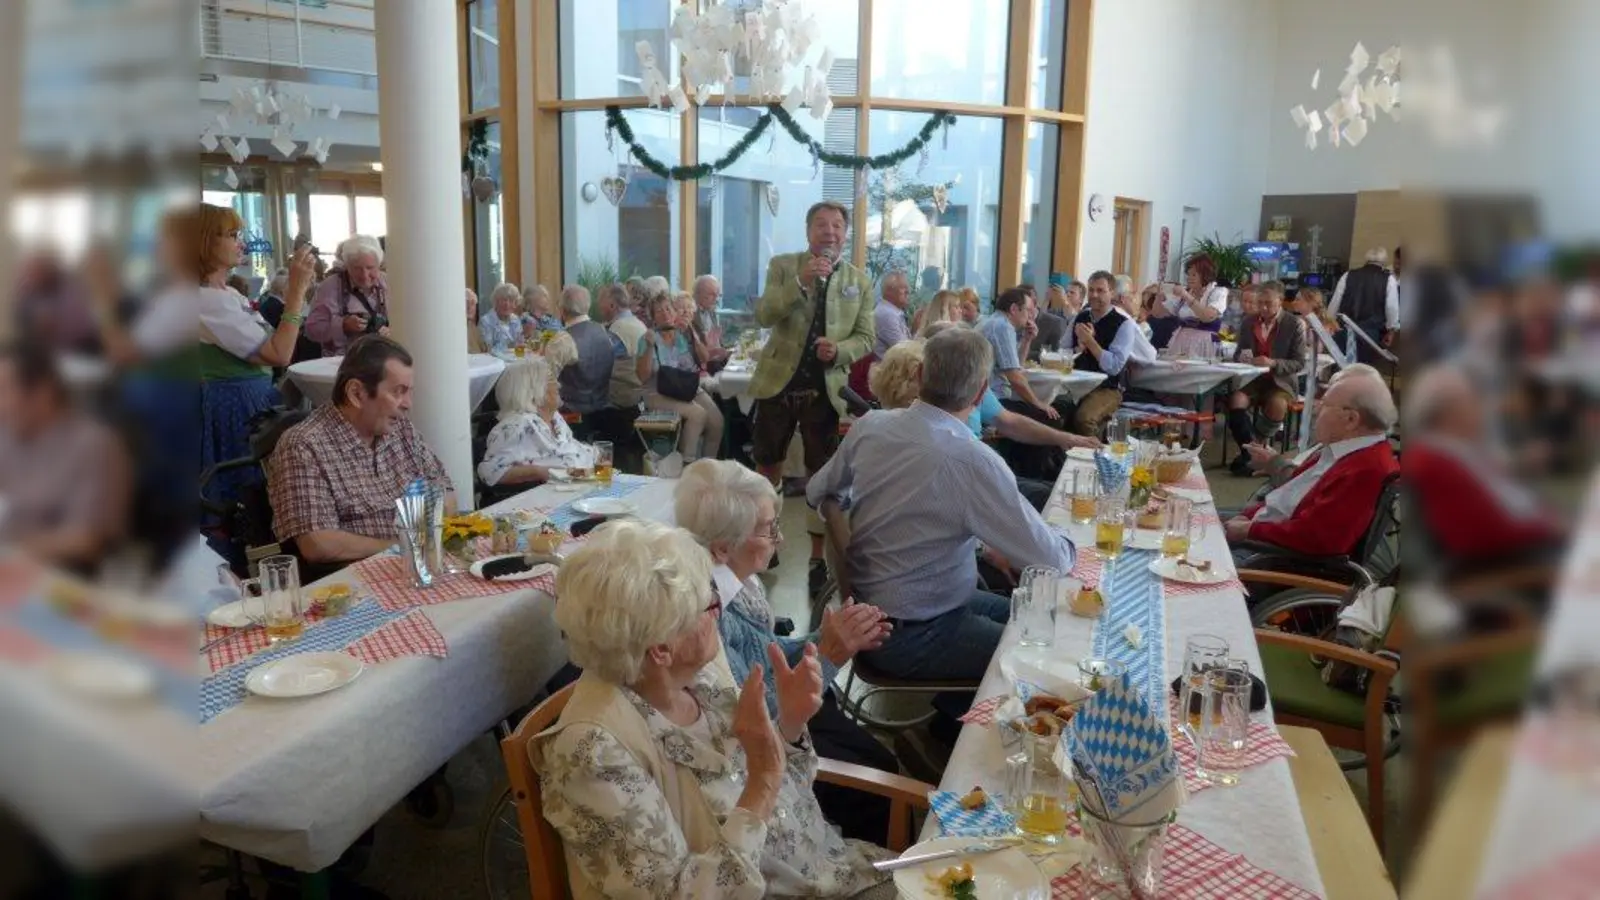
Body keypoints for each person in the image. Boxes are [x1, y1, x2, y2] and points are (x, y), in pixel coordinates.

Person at [530, 519, 894, 900]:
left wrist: (788, 723)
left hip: (836, 869)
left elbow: (784, 803)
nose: (718, 614)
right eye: (708, 605)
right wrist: (764, 779)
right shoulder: (592, 750)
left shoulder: (696, 677)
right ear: (661, 648)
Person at [807, 328, 1075, 691]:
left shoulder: (870, 426)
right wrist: (1072, 535)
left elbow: (817, 491)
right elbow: (1053, 561)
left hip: (902, 611)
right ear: (981, 393)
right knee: (1053, 646)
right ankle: (960, 721)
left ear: (920, 376)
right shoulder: (971, 460)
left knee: (1052, 619)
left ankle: (949, 715)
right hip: (913, 632)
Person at [673, 460, 899, 842]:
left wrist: (826, 637)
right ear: (724, 547)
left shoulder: (739, 583)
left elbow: (767, 651)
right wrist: (828, 656)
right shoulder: (708, 615)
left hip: (786, 720)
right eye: (768, 529)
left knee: (879, 759)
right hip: (760, 753)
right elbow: (755, 720)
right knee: (877, 786)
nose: (780, 538)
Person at [267, 335, 454, 566]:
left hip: (419, 565)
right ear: (356, 393)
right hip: (358, 581)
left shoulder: (401, 429)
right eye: (398, 391)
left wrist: (428, 535)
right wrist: (405, 546)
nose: (408, 403)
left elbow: (445, 491)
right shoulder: (304, 446)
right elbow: (318, 544)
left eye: (409, 391)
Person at [869, 330, 1099, 510]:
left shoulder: (872, 429)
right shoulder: (964, 447)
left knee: (1051, 493)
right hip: (975, 488)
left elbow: (1008, 421)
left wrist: (1064, 437)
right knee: (1055, 497)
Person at [747, 199, 874, 504]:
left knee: (822, 471)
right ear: (808, 232)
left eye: (837, 225)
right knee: (766, 463)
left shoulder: (859, 280)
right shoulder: (783, 265)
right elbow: (764, 315)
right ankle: (766, 536)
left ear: (846, 234)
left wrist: (840, 350)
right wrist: (802, 280)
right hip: (778, 381)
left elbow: (867, 338)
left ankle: (818, 550)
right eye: (821, 224)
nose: (829, 231)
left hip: (826, 387)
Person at [196, 205, 317, 515]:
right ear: (205, 242)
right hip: (235, 406)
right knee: (247, 493)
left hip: (249, 398)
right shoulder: (208, 300)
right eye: (233, 235)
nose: (242, 243)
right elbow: (279, 353)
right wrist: (296, 292)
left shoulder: (227, 295)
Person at [1223, 373, 1399, 560]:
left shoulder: (1366, 468)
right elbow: (1289, 498)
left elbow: (1318, 538)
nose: (1315, 410)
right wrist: (1247, 517)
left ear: (1351, 420)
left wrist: (1249, 530)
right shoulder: (1344, 452)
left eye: (1324, 404)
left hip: (1272, 559)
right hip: (1263, 532)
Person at [1405, 364, 1565, 567]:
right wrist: (1549, 528)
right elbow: (1478, 533)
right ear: (1449, 413)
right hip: (1512, 560)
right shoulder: (1433, 460)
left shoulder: (1459, 450)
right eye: (1472, 402)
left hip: (1530, 542)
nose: (1480, 410)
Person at [0, 344, 130, 571]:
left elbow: (84, 541)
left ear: (42, 393)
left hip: (58, 576)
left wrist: (10, 549)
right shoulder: (8, 435)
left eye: (3, 391)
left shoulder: (93, 445)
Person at [1226, 281, 1308, 474]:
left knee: (1277, 404)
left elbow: (1299, 363)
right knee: (1236, 399)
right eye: (1260, 302)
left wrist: (1273, 363)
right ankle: (1252, 453)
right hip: (1254, 379)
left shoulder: (1294, 324)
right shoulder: (1248, 322)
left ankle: (1254, 448)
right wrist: (1243, 358)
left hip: (1281, 382)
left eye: (1268, 303)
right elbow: (1239, 353)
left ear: (1280, 301)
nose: (1263, 308)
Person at [479, 355, 594, 488]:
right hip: (550, 494)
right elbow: (490, 472)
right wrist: (538, 472)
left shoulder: (555, 419)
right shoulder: (516, 426)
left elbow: (572, 452)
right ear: (534, 390)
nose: (558, 384)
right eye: (551, 381)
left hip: (582, 482)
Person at [644, 293, 724, 462]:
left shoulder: (680, 335)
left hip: (683, 388)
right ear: (653, 318)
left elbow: (703, 359)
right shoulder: (649, 338)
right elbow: (642, 377)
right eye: (658, 311)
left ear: (674, 312)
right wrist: (650, 347)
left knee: (717, 423)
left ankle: (708, 468)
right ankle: (687, 464)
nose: (665, 313)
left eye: (668, 309)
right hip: (658, 392)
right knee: (698, 414)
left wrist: (691, 332)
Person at [1065, 271, 1144, 438]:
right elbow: (1062, 351)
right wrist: (1077, 350)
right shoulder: (1080, 317)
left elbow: (1114, 367)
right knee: (1052, 413)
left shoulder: (1124, 324)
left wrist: (1090, 342)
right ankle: (1061, 460)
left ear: (1112, 293)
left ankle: (1097, 457)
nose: (1094, 295)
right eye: (1091, 290)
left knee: (1084, 418)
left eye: (1100, 291)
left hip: (1107, 388)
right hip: (1075, 384)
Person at [978, 287, 1058, 422]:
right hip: (991, 398)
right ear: (1014, 309)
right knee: (1050, 417)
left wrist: (1027, 340)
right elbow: (1014, 377)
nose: (1031, 316)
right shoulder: (1002, 326)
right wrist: (1037, 403)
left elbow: (1016, 367)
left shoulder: (994, 321)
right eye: (1028, 310)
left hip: (986, 395)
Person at [304, 235, 389, 357]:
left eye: (370, 268)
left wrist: (393, 332)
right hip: (343, 362)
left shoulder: (389, 283)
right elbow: (311, 330)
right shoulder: (330, 287)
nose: (364, 275)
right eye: (357, 269)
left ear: (379, 264)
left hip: (383, 359)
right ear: (347, 266)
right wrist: (343, 325)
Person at [1147, 254, 1229, 357]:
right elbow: (1157, 314)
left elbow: (1207, 316)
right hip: (1181, 342)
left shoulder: (1217, 292)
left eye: (1194, 275)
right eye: (1188, 274)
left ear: (1206, 275)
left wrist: (1186, 296)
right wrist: (1159, 297)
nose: (1189, 278)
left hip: (1204, 343)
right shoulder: (1185, 293)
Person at [1329, 247, 1400, 364]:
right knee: (1363, 369)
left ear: (1366, 260)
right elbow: (1391, 308)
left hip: (1344, 330)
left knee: (1341, 368)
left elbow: (1335, 302)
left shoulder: (1348, 275)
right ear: (1383, 263)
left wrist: (1330, 321)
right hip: (1369, 334)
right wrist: (1392, 330)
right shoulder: (1388, 279)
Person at [478, 283, 534, 353]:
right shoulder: (486, 321)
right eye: (503, 300)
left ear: (515, 304)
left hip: (513, 359)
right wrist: (513, 345)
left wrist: (525, 336)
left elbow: (519, 344)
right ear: (496, 302)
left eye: (511, 301)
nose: (507, 304)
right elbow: (488, 349)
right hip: (495, 361)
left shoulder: (515, 319)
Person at [872, 271, 913, 356]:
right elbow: (905, 350)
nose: (908, 291)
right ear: (889, 291)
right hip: (888, 367)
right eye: (903, 288)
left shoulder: (891, 311)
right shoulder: (887, 314)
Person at [464, 288, 486, 353]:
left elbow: (484, 348)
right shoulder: (455, 328)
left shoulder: (472, 325)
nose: (469, 307)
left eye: (472, 303)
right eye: (466, 303)